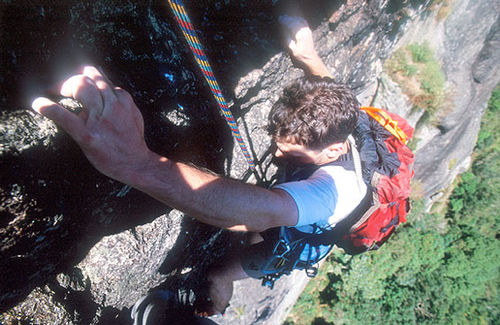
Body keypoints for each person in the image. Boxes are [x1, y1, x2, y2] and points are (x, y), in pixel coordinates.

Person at [31, 16, 366, 318]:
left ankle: (217, 305)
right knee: (262, 225)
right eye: (277, 145)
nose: (277, 156)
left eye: (291, 152)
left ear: (334, 149)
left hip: (308, 238)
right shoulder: (343, 119)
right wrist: (307, 54)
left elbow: (265, 211)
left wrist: (135, 162)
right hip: (296, 204)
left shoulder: (333, 193)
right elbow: (328, 86)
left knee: (223, 270)